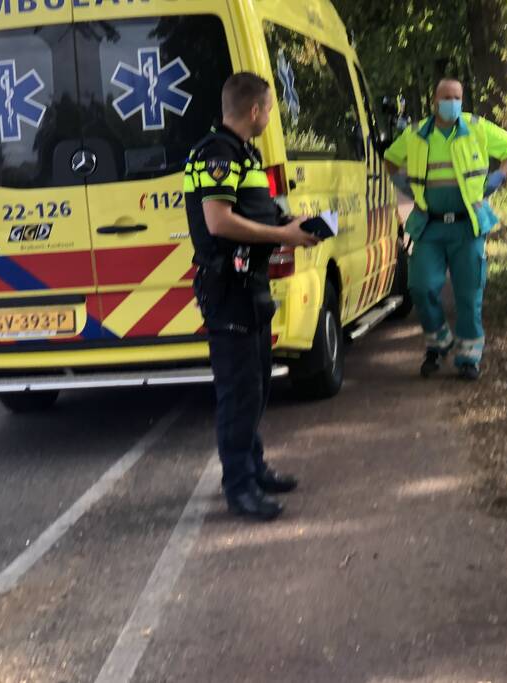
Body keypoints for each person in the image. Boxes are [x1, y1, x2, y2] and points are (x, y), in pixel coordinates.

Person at [183, 72, 319, 521]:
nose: (271, 116)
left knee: (257, 383)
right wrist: (282, 233)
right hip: (228, 287)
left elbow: (256, 208)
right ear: (255, 111)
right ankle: (238, 486)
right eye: (270, 109)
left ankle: (253, 466)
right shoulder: (215, 155)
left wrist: (292, 221)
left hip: (250, 284)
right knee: (238, 392)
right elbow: (219, 222)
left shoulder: (244, 153)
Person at [384, 78, 507, 380]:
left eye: (457, 97)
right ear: (435, 101)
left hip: (467, 225)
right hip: (430, 224)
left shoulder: (476, 128)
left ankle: (469, 357)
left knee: (469, 294)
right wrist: (402, 185)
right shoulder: (417, 134)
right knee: (420, 287)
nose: (452, 103)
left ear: (462, 99)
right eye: (446, 97)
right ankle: (440, 341)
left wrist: (499, 176)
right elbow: (391, 159)